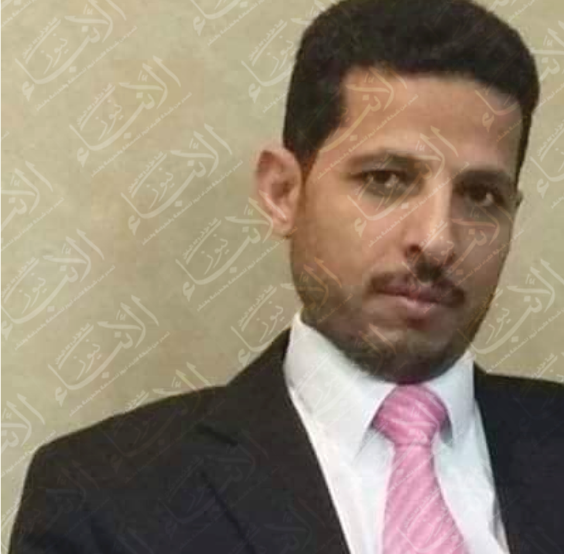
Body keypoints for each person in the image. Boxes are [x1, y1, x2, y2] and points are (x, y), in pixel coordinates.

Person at [9, 0, 564, 552]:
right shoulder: (105, 497)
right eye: (386, 179)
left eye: (481, 195)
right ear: (283, 193)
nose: (439, 240)